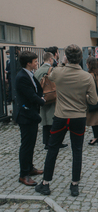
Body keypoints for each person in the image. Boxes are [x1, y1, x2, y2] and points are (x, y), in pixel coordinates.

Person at [35, 44, 98, 196]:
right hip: (78, 118)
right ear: (81, 58)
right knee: (77, 151)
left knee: (52, 149)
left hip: (61, 117)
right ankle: (74, 185)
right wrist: (84, 97)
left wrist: (63, 63)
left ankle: (46, 183)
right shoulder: (87, 77)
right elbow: (94, 101)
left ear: (66, 57)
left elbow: (49, 76)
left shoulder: (58, 72)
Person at [14, 51, 45, 186]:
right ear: (28, 63)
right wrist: (42, 101)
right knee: (26, 145)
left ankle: (30, 168)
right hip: (26, 116)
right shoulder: (22, 77)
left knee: (31, 143)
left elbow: (36, 89)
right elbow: (30, 95)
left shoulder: (29, 74)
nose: (37, 63)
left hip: (31, 115)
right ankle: (23, 174)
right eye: (35, 61)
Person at [34, 52, 68, 150]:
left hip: (42, 98)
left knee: (45, 121)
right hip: (52, 97)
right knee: (53, 120)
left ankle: (46, 142)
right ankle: (55, 141)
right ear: (50, 59)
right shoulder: (52, 70)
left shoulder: (37, 71)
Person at [86, 57, 98, 145]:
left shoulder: (91, 75)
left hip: (93, 99)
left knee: (94, 120)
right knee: (96, 121)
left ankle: (96, 137)